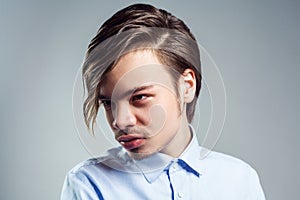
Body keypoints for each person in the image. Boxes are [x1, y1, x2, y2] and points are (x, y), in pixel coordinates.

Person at [61, 3, 265, 199]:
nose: (120, 121)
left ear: (187, 86)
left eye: (139, 97)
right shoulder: (89, 183)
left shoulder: (239, 180)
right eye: (108, 103)